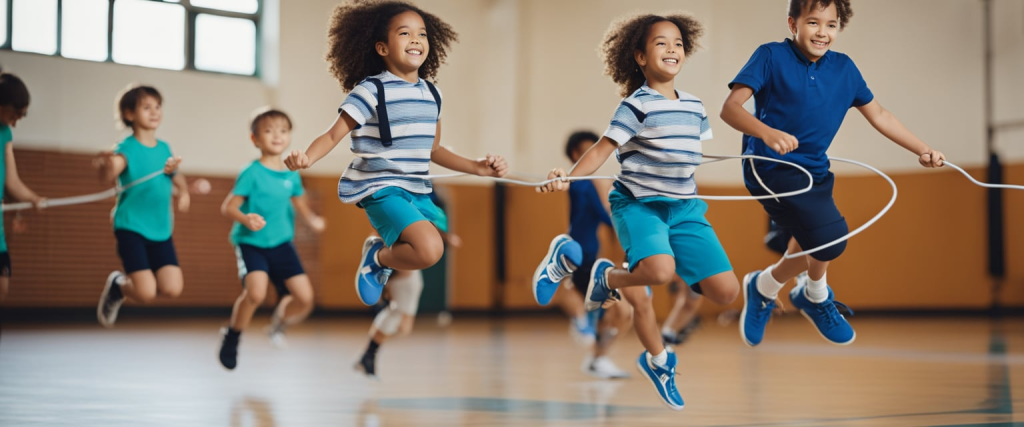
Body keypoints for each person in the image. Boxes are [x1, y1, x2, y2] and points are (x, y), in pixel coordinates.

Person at [537, 12, 740, 410]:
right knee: (659, 272)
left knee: (727, 291)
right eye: (661, 43)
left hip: (684, 209)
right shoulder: (636, 105)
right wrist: (570, 179)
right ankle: (635, 321)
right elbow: (600, 150)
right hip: (639, 205)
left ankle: (611, 283)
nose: (672, 49)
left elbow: (689, 154)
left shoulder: (697, 107)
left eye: (678, 43)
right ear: (640, 56)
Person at [720, 0, 945, 347]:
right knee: (832, 237)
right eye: (813, 23)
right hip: (770, 167)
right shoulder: (769, 56)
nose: (822, 32)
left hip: (815, 170)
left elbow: (880, 115)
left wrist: (922, 149)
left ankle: (764, 287)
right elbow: (730, 109)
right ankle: (814, 292)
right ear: (793, 24)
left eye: (831, 25)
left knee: (813, 236)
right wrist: (766, 133)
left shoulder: (845, 69)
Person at [284, 0, 507, 308]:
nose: (416, 39)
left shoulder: (432, 94)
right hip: (381, 187)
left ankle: (379, 257)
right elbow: (334, 133)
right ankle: (377, 257)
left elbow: (434, 149)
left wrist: (476, 167)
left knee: (431, 250)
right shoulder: (370, 90)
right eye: (404, 33)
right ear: (382, 48)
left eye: (422, 34)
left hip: (415, 190)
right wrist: (306, 159)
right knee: (429, 250)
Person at [218, 108, 325, 370]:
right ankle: (232, 336)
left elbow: (298, 201)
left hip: (281, 243)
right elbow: (228, 207)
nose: (277, 135)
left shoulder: (292, 171)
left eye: (283, 130)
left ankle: (278, 324)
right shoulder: (251, 172)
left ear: (289, 136)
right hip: (251, 243)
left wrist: (311, 219)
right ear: (255, 139)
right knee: (255, 293)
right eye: (268, 130)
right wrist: (246, 219)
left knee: (305, 298)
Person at [95, 85, 190, 327]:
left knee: (173, 288)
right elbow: (111, 171)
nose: (154, 112)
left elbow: (175, 175)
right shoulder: (125, 148)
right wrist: (105, 165)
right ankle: (118, 285)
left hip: (160, 229)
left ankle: (120, 285)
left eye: (157, 107)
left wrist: (184, 192)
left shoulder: (165, 148)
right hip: (131, 226)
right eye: (146, 107)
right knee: (146, 293)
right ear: (129, 114)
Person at [355, 191, 459, 379]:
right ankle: (368, 354)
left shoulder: (419, 212)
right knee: (400, 321)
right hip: (400, 273)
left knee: (403, 326)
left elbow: (432, 229)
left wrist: (447, 237)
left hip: (406, 274)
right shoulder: (397, 209)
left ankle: (369, 353)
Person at [0, 70, 47, 300]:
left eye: (22, 115)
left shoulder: (6, 134)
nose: (17, 121)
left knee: (2, 289)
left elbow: (12, 181)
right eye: (14, 114)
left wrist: (33, 198)